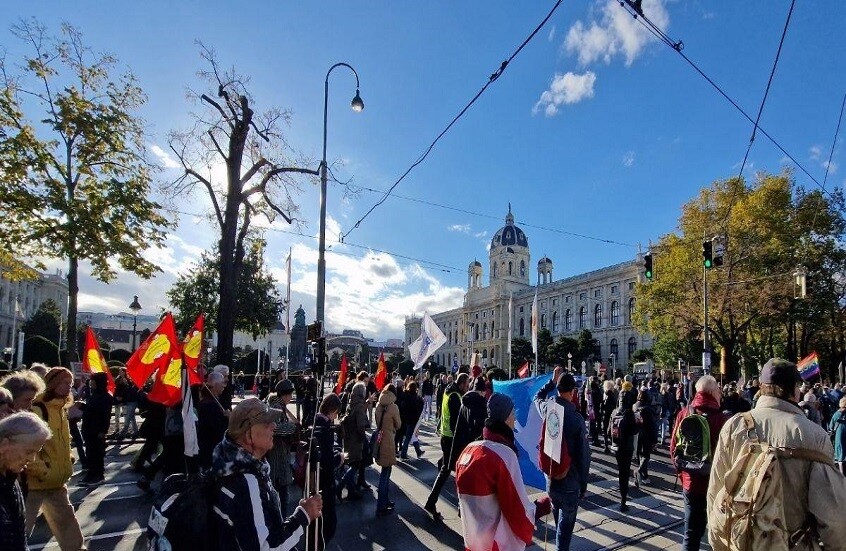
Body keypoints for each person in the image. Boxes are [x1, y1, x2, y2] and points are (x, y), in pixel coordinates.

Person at [707, 359, 846, 549]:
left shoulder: (735, 425)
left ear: (762, 388)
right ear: (795, 389)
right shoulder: (814, 435)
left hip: (742, 542)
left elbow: (715, 493)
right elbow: (834, 517)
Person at [210, 397, 322, 551]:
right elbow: (266, 547)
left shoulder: (227, 464)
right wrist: (304, 514)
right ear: (248, 435)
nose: (274, 426)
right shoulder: (246, 482)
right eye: (266, 423)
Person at [455, 393, 551, 551]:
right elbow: (519, 509)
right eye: (513, 413)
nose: (515, 418)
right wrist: (544, 505)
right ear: (506, 418)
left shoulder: (469, 450)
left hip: (473, 542)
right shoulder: (503, 455)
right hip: (496, 544)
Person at [25, 367, 85, 550]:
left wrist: (68, 459)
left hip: (56, 483)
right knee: (16, 533)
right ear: (52, 384)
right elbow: (28, 448)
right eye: (65, 382)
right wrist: (43, 470)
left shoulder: (61, 409)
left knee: (71, 533)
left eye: (71, 383)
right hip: (35, 484)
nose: (69, 387)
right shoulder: (38, 409)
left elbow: (63, 443)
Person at [534, 367, 591, 550]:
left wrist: (551, 381)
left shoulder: (548, 409)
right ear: (573, 391)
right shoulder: (576, 419)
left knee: (559, 519)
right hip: (570, 481)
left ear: (558, 389)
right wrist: (583, 485)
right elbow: (583, 457)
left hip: (551, 478)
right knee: (565, 530)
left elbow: (537, 397)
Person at [670, 375, 726, 551]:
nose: (720, 393)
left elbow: (673, 449)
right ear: (712, 392)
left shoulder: (684, 413)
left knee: (691, 534)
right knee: (719, 535)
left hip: (690, 484)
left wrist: (684, 474)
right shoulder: (722, 420)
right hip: (716, 486)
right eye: (718, 389)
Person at [0, 411, 53, 551]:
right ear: (4, 445)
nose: (32, 459)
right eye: (29, 452)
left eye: (36, 452)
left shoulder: (11, 479)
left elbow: (19, 537)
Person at [424, 373, 470, 520]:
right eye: (467, 385)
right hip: (452, 439)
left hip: (446, 436)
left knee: (449, 470)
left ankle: (435, 503)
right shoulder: (456, 396)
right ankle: (458, 507)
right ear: (462, 384)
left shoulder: (448, 391)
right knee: (454, 472)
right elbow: (457, 422)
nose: (468, 387)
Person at [311, 393, 341, 550]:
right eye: (336, 413)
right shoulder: (324, 428)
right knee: (329, 524)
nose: (336, 417)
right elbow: (327, 461)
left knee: (318, 525)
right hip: (324, 482)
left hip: (316, 480)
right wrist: (339, 458)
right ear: (333, 410)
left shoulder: (315, 421)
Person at [265, 379, 300, 515]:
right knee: (280, 497)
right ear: (285, 395)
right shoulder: (276, 408)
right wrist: (294, 427)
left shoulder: (280, 407)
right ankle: (281, 524)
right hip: (277, 457)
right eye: (290, 394)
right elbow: (276, 429)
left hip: (279, 457)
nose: (291, 397)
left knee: (281, 496)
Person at [80, 372, 113, 486]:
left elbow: (105, 415)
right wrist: (83, 406)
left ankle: (98, 475)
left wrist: (103, 431)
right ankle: (91, 474)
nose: (91, 383)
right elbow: (91, 410)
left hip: (97, 429)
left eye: (93, 381)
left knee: (97, 454)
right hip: (89, 428)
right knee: (90, 452)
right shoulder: (94, 395)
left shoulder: (105, 396)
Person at [373, 383, 401, 516]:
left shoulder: (379, 405)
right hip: (389, 439)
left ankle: (385, 500)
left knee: (385, 470)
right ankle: (381, 503)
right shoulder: (393, 406)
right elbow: (399, 424)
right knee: (386, 472)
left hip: (379, 438)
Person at [612, 379, 638, 511]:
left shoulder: (615, 411)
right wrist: (639, 422)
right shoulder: (629, 413)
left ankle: (622, 496)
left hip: (616, 446)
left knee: (621, 472)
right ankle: (623, 500)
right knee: (625, 473)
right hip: (626, 447)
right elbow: (634, 430)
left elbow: (607, 430)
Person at [339, 382, 368, 499]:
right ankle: (340, 486)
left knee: (352, 463)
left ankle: (351, 490)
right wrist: (362, 436)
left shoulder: (351, 402)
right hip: (356, 438)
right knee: (355, 464)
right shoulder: (360, 405)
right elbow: (360, 424)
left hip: (348, 436)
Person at [197, 371, 228, 470]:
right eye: (222, 383)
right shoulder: (209, 404)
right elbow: (216, 428)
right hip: (210, 447)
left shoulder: (213, 400)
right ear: (215, 384)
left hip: (210, 446)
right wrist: (227, 418)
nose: (224, 386)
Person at [633, 389, 657, 486]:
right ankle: (640, 471)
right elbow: (652, 426)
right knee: (646, 455)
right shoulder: (648, 409)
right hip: (647, 433)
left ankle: (643, 475)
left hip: (637, 433)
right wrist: (655, 439)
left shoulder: (635, 406)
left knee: (639, 454)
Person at [399, 381, 425, 459]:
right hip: (413, 420)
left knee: (413, 435)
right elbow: (419, 406)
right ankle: (403, 454)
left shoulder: (405, 395)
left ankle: (418, 451)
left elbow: (402, 406)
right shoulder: (415, 397)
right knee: (409, 437)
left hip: (405, 418)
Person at [830, 397, 846, 476]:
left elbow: (831, 427)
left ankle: (842, 474)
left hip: (839, 437)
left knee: (840, 456)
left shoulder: (836, 414)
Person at [601, 380, 617, 454]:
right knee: (611, 430)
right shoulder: (613, 396)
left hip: (605, 415)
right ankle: (611, 445)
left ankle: (606, 446)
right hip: (611, 415)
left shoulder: (605, 395)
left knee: (605, 431)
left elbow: (602, 407)